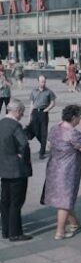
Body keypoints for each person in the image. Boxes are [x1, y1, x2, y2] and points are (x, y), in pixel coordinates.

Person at [42, 105, 81, 240]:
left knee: (65, 197)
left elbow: (49, 146)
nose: (80, 119)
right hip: (68, 170)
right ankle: (60, 232)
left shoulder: (54, 128)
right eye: (79, 116)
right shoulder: (72, 133)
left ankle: (75, 223)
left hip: (54, 167)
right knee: (64, 200)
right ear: (74, 117)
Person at [0, 99, 32, 242]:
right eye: (22, 112)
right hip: (16, 169)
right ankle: (15, 233)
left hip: (3, 169)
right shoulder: (15, 126)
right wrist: (20, 156)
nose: (22, 115)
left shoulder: (1, 124)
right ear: (17, 111)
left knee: (5, 201)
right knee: (16, 202)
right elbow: (24, 144)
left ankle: (5, 230)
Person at [29, 75, 56, 160]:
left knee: (43, 132)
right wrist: (30, 115)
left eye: (44, 81)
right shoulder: (33, 91)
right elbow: (31, 104)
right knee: (36, 131)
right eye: (41, 81)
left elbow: (53, 102)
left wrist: (47, 109)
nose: (43, 83)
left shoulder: (49, 92)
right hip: (35, 112)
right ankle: (44, 144)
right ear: (38, 82)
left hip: (44, 113)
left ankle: (42, 152)